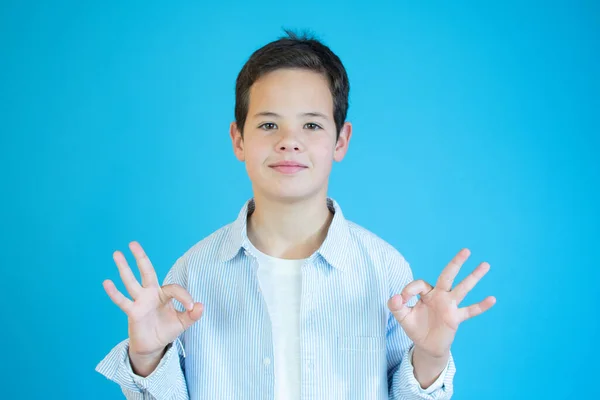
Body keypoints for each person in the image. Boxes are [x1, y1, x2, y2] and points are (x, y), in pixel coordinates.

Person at [95, 29, 496, 400]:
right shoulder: (193, 274)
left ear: (341, 140)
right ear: (238, 139)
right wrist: (146, 358)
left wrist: (430, 356)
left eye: (311, 125)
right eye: (269, 124)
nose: (289, 142)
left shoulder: (385, 271)